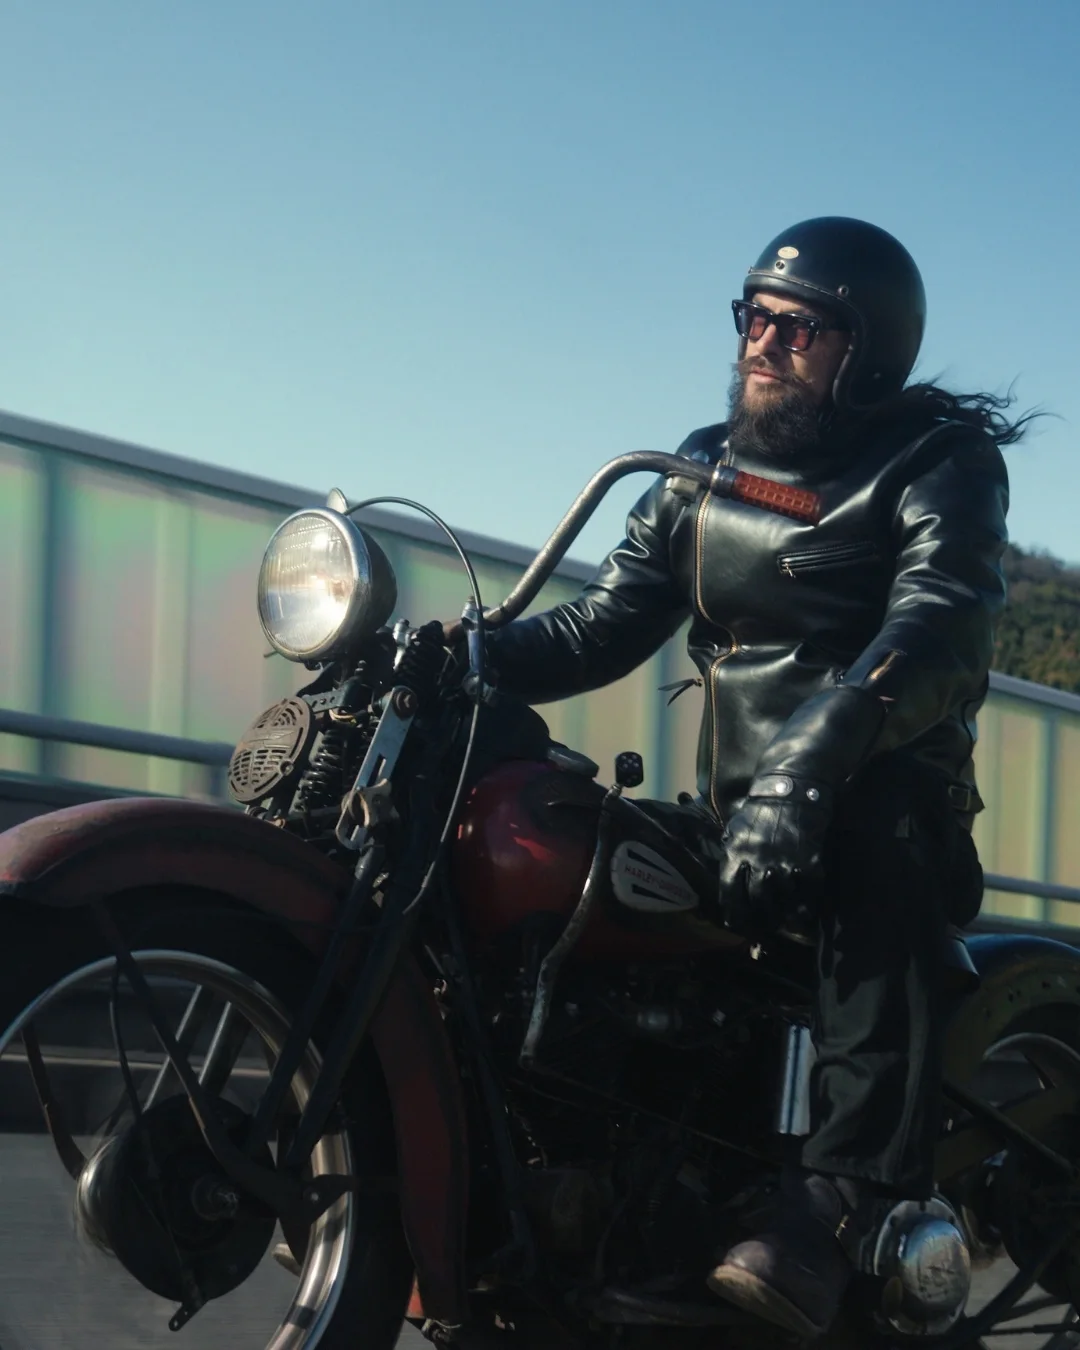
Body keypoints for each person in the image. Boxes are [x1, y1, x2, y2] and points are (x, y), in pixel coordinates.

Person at [484, 216, 1030, 1340]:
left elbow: (940, 624)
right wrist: (462, 655)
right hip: (733, 819)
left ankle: (845, 1200)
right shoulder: (703, 469)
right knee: (563, 851)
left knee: (878, 832)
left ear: (867, 350)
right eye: (756, 318)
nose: (764, 344)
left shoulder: (936, 463)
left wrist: (808, 767)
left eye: (801, 327)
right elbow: (598, 627)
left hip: (883, 806)